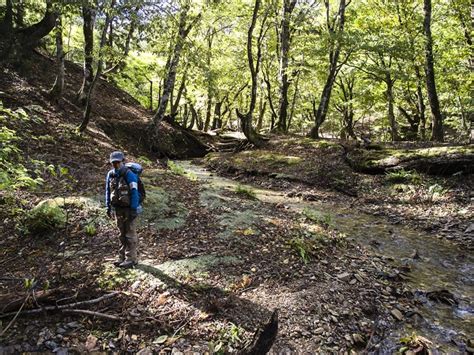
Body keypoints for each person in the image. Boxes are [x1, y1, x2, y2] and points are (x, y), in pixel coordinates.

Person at [105, 151, 140, 268]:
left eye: (118, 162)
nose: (115, 165)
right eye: (113, 163)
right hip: (117, 209)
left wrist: (134, 209)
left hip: (129, 208)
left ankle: (131, 259)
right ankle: (121, 257)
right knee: (121, 234)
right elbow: (108, 191)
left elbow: (134, 192)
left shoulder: (129, 174)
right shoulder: (110, 175)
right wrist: (108, 207)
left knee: (130, 233)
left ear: (122, 161)